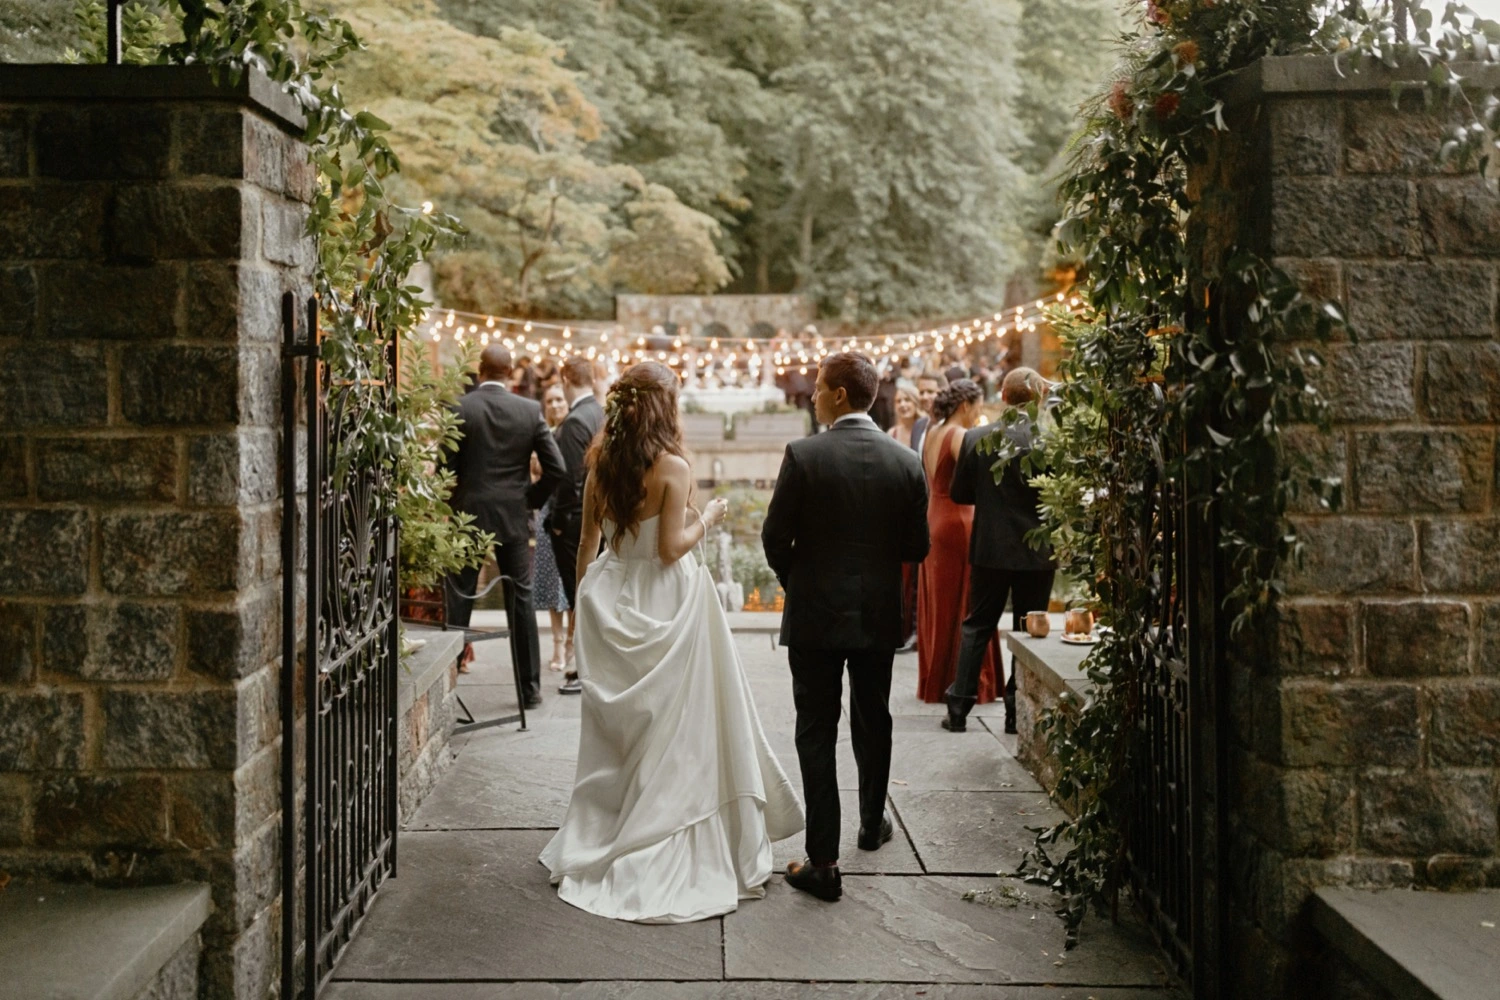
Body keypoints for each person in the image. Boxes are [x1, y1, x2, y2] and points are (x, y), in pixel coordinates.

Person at [540, 362, 803, 923]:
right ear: (666, 409)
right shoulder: (673, 467)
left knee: (623, 730)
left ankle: (612, 825)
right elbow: (668, 550)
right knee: (677, 725)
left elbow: (587, 547)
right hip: (667, 601)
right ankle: (667, 821)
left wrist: (587, 608)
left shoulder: (600, 466)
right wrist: (708, 518)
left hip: (611, 597)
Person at [761, 352, 930, 903]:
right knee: (873, 718)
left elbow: (773, 537)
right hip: (876, 612)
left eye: (817, 387)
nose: (811, 395)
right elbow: (917, 547)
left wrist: (801, 581)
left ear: (838, 395)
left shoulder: (804, 455)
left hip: (815, 614)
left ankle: (824, 862)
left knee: (816, 729)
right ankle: (871, 824)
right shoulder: (906, 461)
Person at [446, 345, 565, 709]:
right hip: (513, 515)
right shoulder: (528, 410)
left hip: (468, 514)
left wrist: (455, 501)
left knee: (460, 595)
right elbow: (557, 468)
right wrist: (529, 499)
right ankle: (529, 690)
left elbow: (446, 468)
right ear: (510, 371)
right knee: (521, 600)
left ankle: (447, 685)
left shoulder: (460, 408)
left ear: (480, 370)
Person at [944, 368, 1057, 734]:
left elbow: (959, 493)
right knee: (1027, 629)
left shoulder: (977, 437)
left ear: (1004, 397)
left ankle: (958, 709)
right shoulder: (1050, 440)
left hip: (991, 547)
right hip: (1037, 551)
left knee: (978, 624)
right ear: (1039, 397)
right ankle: (1014, 712)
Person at [916, 379, 1004, 706]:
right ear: (966, 405)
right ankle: (966, 679)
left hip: (934, 516)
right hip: (958, 520)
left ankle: (937, 678)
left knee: (940, 601)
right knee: (967, 599)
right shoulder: (958, 435)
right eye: (977, 407)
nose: (978, 413)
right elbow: (977, 476)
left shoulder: (931, 431)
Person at [546, 355, 606, 695]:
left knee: (579, 594)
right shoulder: (600, 413)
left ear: (566, 380)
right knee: (594, 592)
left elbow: (569, 479)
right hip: (601, 517)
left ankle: (583, 667)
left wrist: (557, 523)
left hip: (574, 523)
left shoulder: (574, 422)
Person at [533, 384, 573, 673]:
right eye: (550, 401)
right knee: (550, 580)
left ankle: (571, 641)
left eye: (560, 399)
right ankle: (557, 642)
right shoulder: (542, 433)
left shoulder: (572, 431)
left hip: (568, 510)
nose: (555, 404)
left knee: (569, 580)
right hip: (547, 511)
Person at [910, 370, 947, 456]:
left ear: (943, 392)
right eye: (921, 392)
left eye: (930, 392)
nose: (925, 397)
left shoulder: (951, 426)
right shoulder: (918, 425)